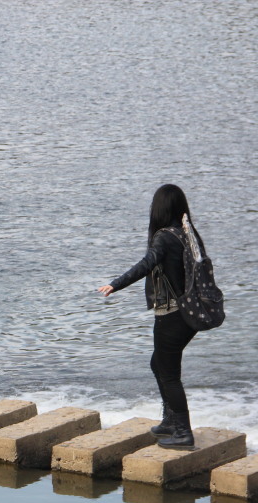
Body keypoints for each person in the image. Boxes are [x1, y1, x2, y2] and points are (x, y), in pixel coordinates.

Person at [98, 184, 207, 449]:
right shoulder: (187, 233)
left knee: (168, 373)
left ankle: (183, 432)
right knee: (159, 364)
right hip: (189, 313)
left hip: (171, 316)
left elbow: (147, 263)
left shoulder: (164, 237)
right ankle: (170, 421)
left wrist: (116, 283)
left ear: (159, 208)